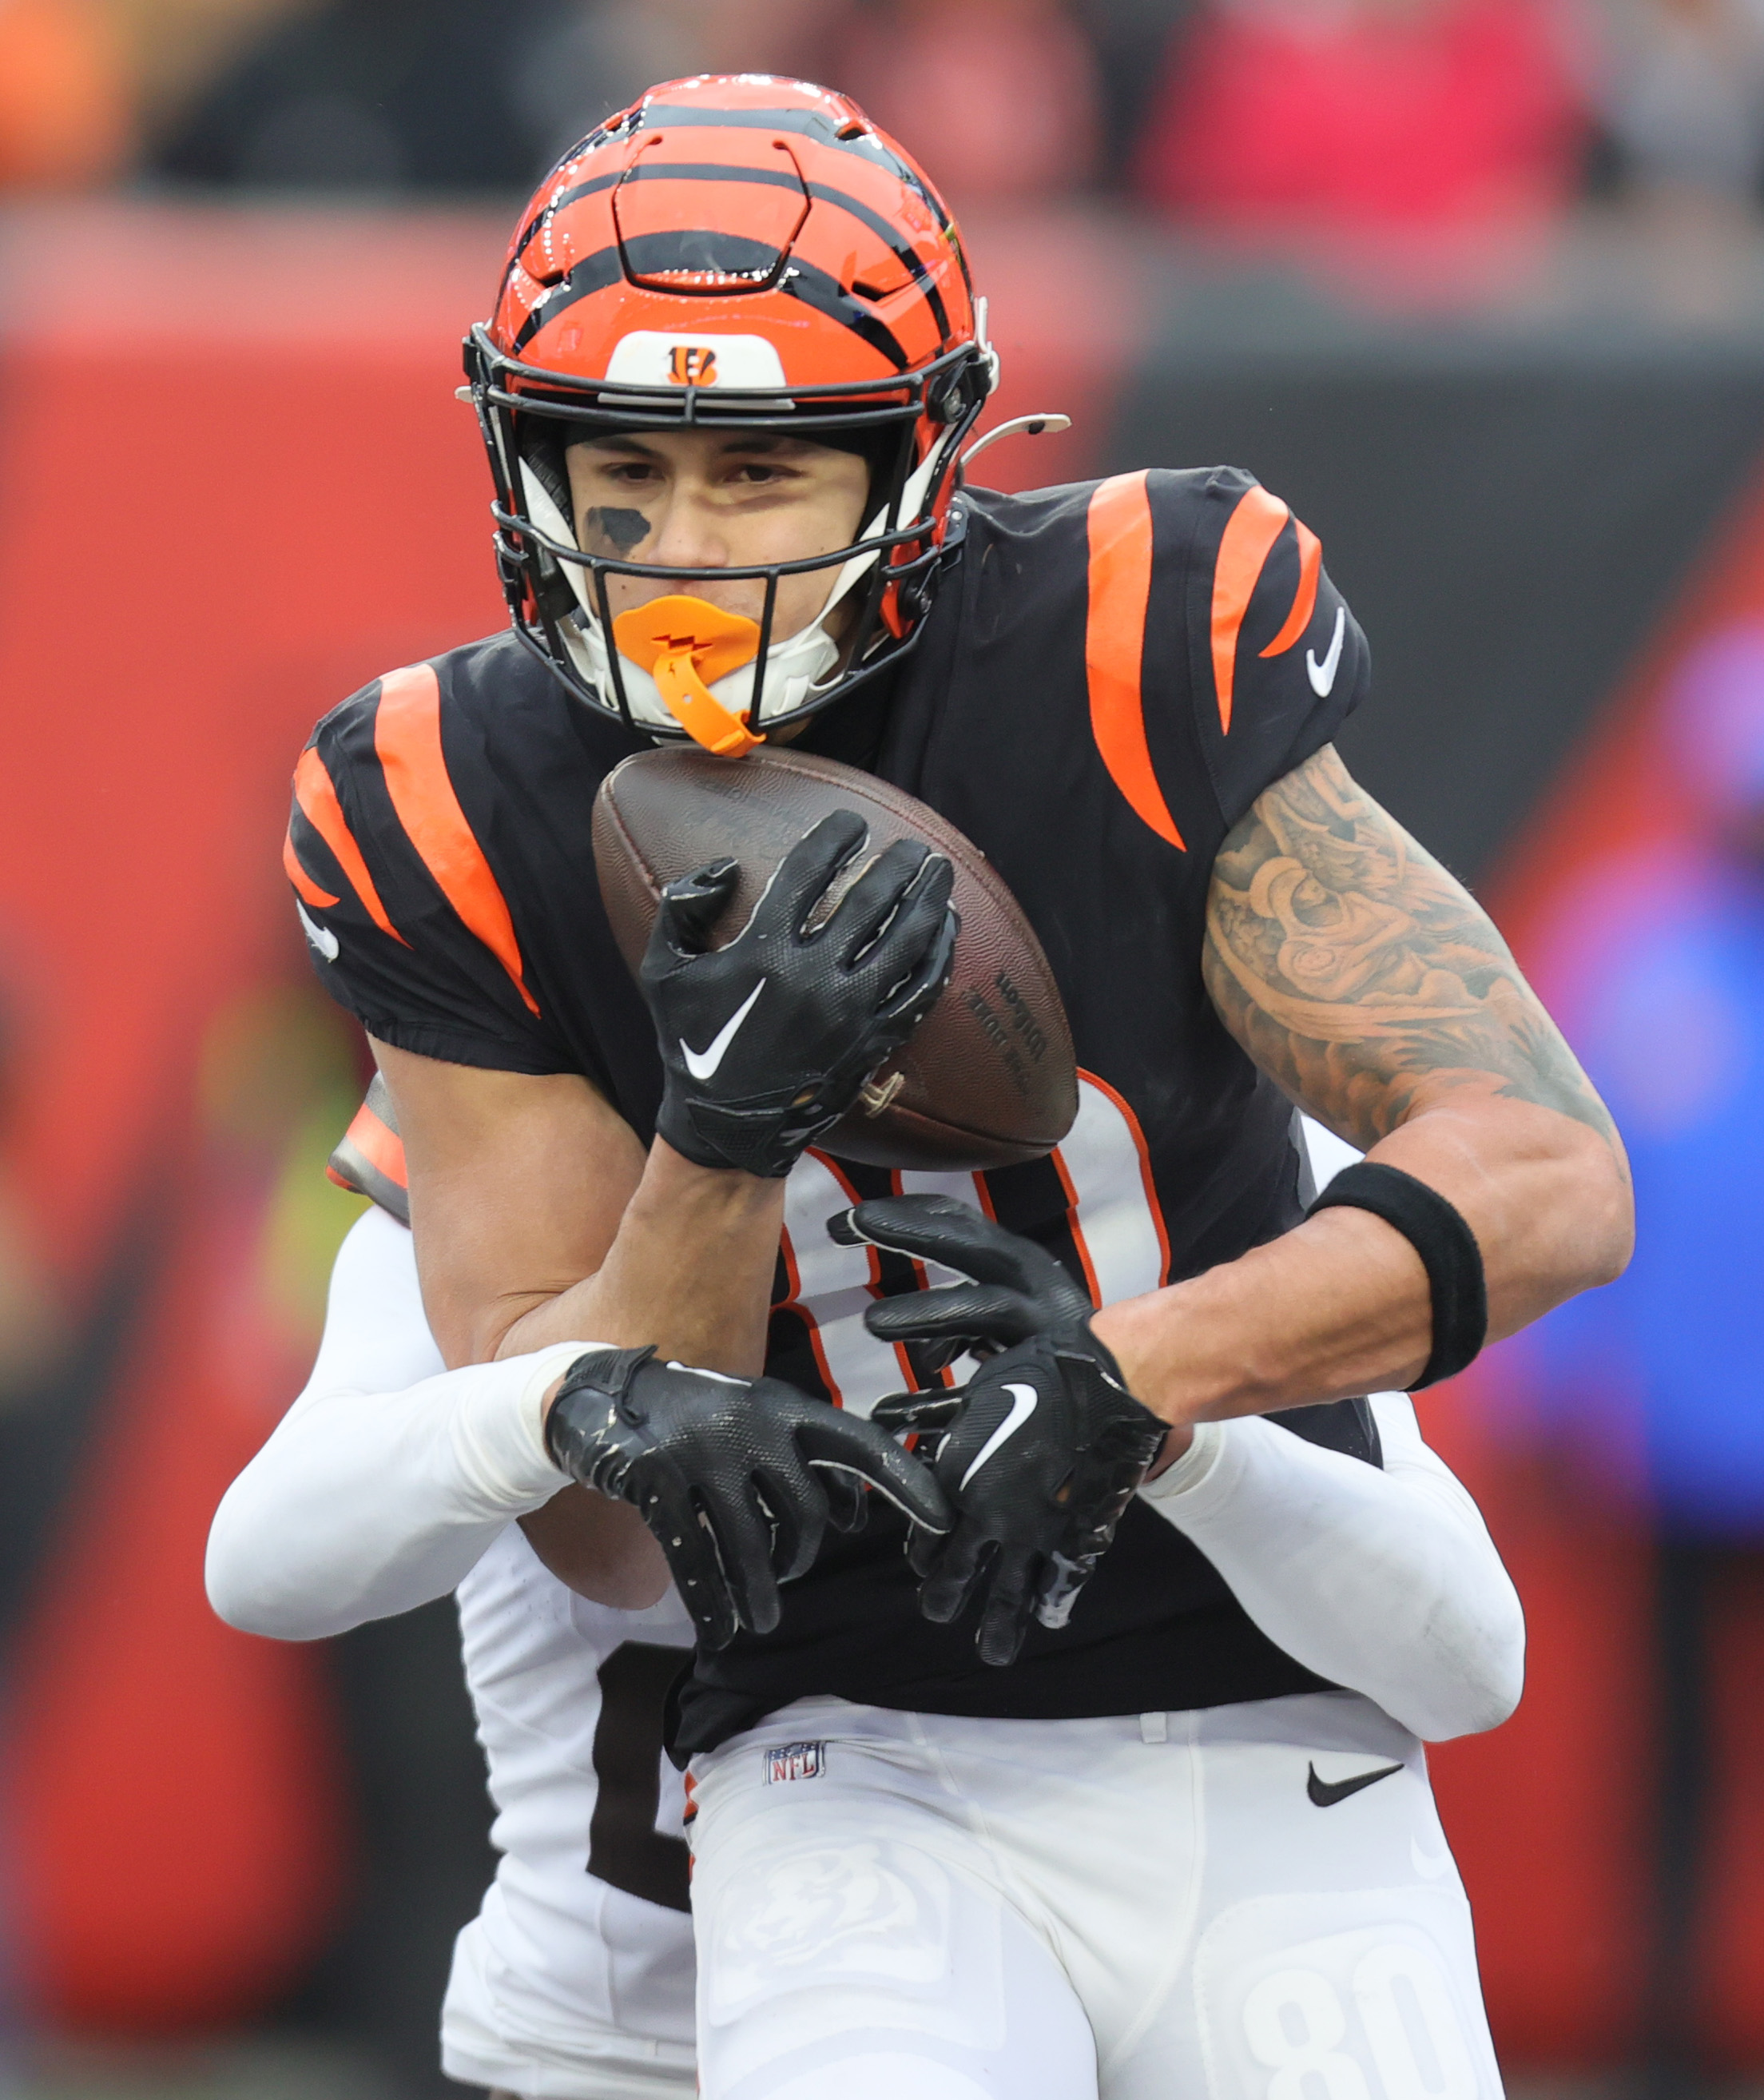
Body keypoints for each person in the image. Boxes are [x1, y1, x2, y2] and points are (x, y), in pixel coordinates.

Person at [281, 73, 1631, 2096]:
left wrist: (1127, 1379)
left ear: (920, 455)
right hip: (843, 1718)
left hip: (1262, 1668)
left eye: (760, 474)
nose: (673, 551)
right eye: (617, 468)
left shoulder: (1133, 637)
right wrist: (718, 1147)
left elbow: (1547, 1176)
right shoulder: (440, 796)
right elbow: (594, 1520)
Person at [209, 1089, 1527, 2098]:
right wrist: (557, 1401)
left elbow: (1464, 1651)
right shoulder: (523, 1132)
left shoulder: (1188, 1121)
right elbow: (267, 1559)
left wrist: (1157, 1406)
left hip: (1121, 1953)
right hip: (630, 2029)